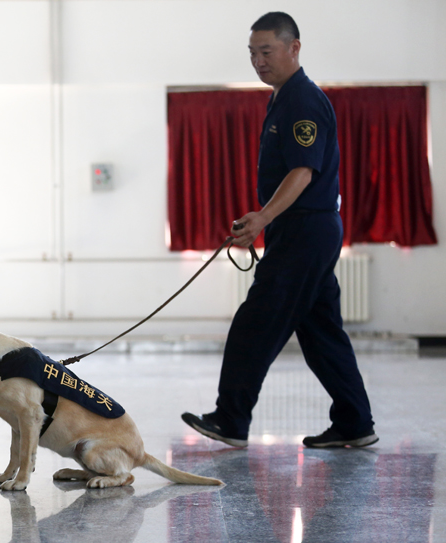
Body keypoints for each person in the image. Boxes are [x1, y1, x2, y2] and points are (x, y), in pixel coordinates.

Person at [181, 12, 378, 449]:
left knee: (255, 322)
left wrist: (263, 218)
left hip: (304, 231)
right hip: (305, 230)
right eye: (252, 52)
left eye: (266, 51)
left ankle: (231, 420)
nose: (257, 60)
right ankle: (355, 422)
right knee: (321, 331)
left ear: (294, 48)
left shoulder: (302, 101)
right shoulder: (284, 98)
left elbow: (303, 172)